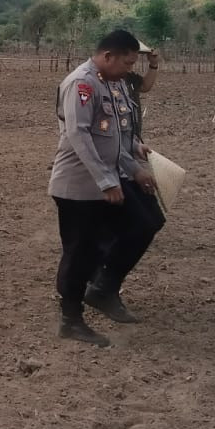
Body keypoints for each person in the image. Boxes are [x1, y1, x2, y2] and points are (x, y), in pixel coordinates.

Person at [47, 29, 153, 347]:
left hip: (106, 182)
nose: (130, 69)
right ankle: (71, 319)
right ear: (108, 56)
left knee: (142, 225)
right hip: (79, 186)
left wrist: (134, 169)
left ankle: (103, 289)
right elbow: (79, 135)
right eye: (127, 63)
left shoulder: (112, 82)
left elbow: (115, 137)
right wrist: (107, 181)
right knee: (80, 252)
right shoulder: (82, 83)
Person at [85, 63, 165, 324]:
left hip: (122, 165)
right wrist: (133, 169)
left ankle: (99, 280)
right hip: (105, 171)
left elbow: (120, 130)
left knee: (152, 219)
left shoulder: (121, 81)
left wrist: (135, 146)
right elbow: (95, 137)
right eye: (129, 61)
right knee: (138, 224)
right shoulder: (89, 84)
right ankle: (100, 286)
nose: (131, 68)